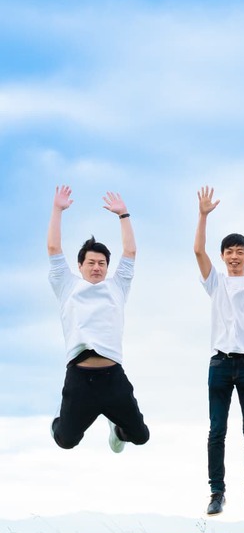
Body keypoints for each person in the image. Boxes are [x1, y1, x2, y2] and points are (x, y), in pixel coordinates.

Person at [47, 186, 151, 453]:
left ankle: (116, 429)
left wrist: (123, 215)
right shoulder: (67, 285)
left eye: (102, 263)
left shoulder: (117, 287)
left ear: (107, 266)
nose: (96, 267)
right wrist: (58, 209)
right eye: (91, 262)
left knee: (140, 436)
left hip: (112, 376)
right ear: (80, 265)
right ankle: (58, 423)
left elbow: (130, 253)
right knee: (66, 441)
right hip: (80, 379)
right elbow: (53, 247)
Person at [194, 182, 244, 516]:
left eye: (240, 251)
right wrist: (203, 216)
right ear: (224, 256)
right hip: (220, 364)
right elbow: (199, 251)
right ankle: (216, 493)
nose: (235, 255)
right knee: (217, 431)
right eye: (229, 251)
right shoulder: (217, 282)